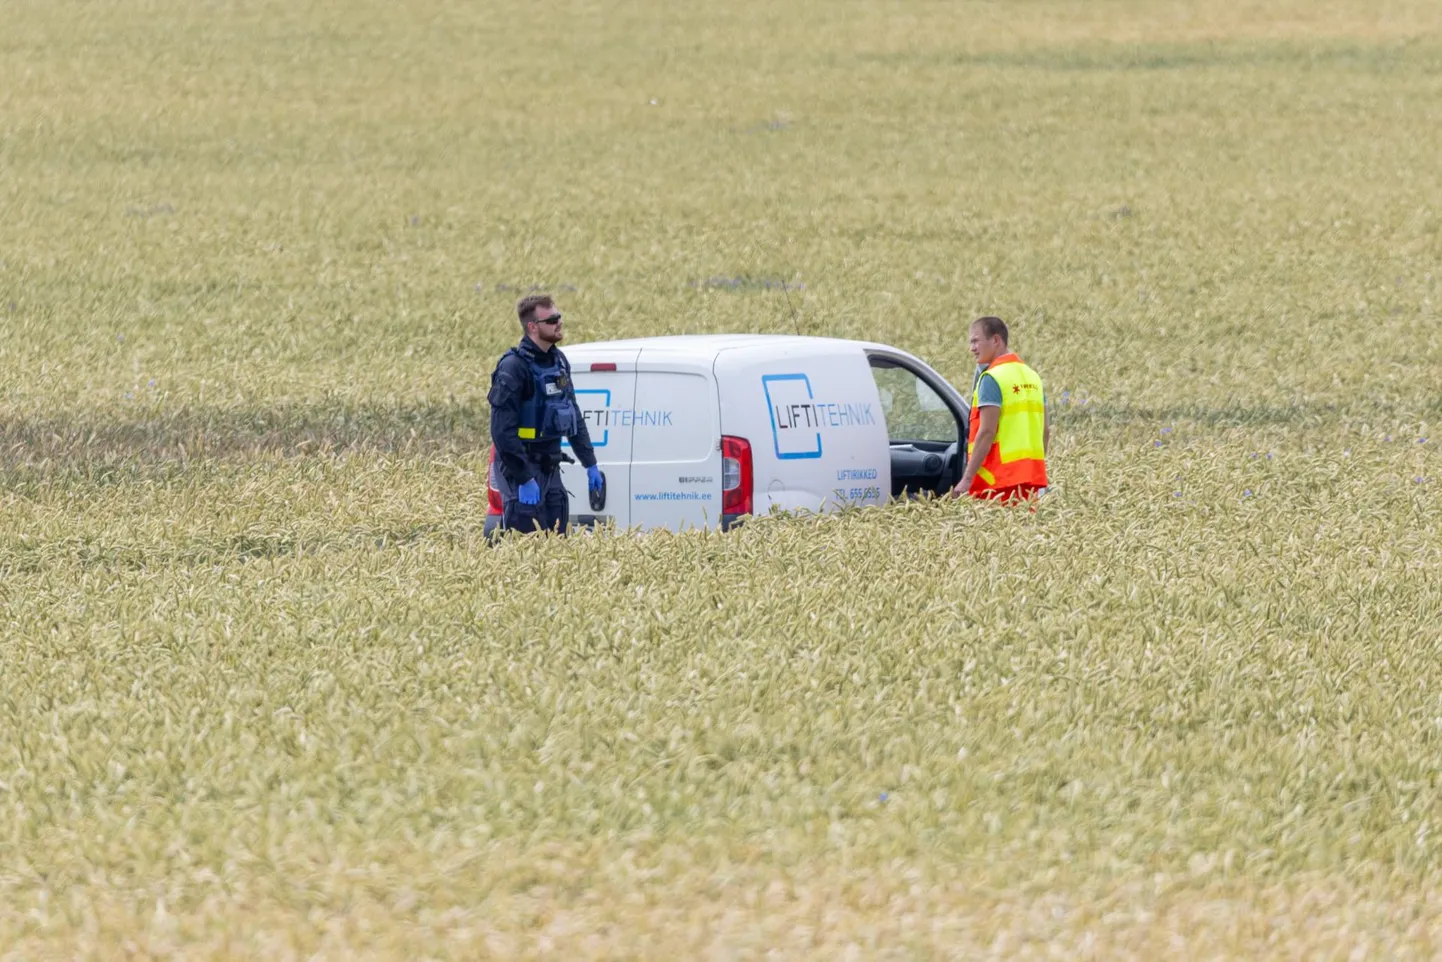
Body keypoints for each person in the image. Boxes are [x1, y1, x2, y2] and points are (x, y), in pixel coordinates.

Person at [488, 294, 603, 534]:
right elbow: (501, 431)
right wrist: (524, 478)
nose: (559, 323)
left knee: (557, 539)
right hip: (522, 471)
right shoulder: (513, 367)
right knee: (526, 542)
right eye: (551, 320)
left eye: (559, 317)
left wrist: (590, 463)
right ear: (532, 327)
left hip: (550, 467)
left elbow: (574, 415)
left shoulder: (559, 361)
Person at [950, 316, 1049, 503]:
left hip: (997, 482)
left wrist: (967, 479)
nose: (972, 348)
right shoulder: (1033, 377)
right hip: (1030, 481)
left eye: (975, 341)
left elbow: (987, 432)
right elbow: (1045, 431)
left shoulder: (992, 378)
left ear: (996, 340)